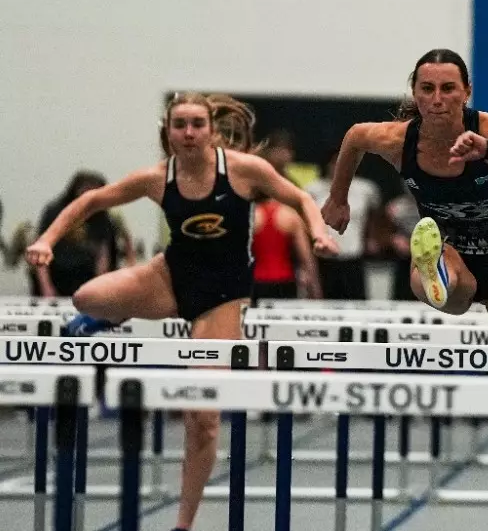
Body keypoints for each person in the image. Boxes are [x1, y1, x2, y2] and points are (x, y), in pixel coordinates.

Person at [24, 92, 337, 531]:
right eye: (180, 125)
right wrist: (47, 241)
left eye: (196, 124)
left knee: (203, 420)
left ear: (211, 130)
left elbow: (300, 200)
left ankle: (183, 524)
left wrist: (318, 231)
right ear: (168, 133)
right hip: (170, 279)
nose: (188, 133)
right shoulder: (156, 178)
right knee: (85, 298)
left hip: (222, 297)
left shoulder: (243, 170)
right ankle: (108, 317)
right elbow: (90, 202)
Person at [320, 48, 488, 347]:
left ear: (467, 92)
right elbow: (355, 137)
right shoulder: (398, 141)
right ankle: (439, 274)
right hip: (449, 249)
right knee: (450, 293)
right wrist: (338, 198)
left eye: (448, 88)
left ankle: (444, 280)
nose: (437, 99)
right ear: (414, 93)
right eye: (427, 89)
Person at [305, 146, 380, 300]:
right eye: (335, 163)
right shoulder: (312, 189)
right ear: (328, 164)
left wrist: (371, 238)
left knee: (357, 305)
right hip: (324, 260)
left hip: (353, 258)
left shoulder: (366, 189)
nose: (338, 167)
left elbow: (374, 217)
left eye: (344, 162)